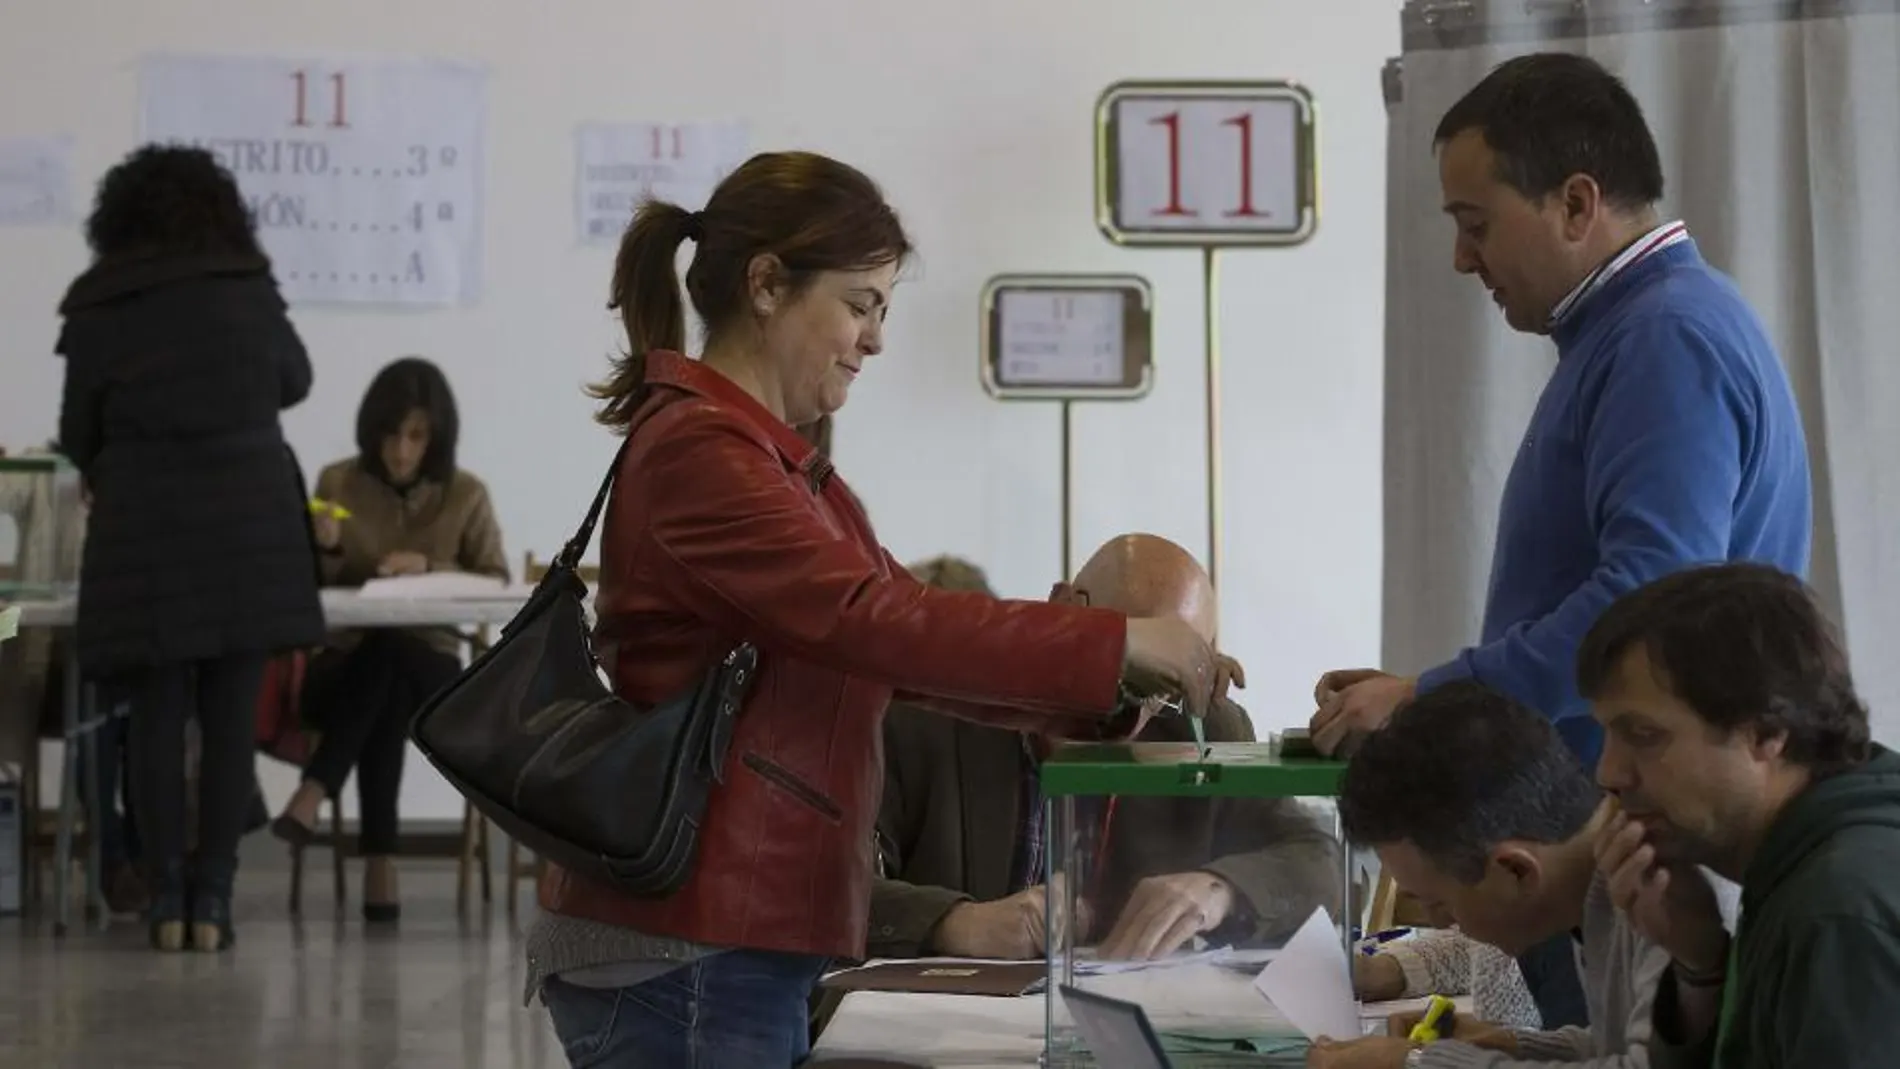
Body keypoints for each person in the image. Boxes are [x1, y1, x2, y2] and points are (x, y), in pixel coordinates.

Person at [524, 151, 1219, 1068]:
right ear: (767, 284)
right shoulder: (705, 452)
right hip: (692, 943)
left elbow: (900, 631)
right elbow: (883, 622)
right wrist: (1119, 639)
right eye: (860, 304)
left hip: (730, 934)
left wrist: (1108, 690)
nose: (876, 339)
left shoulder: (777, 465)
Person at [1309, 52, 1810, 1027]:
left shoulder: (1663, 336)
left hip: (1607, 844)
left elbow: (1649, 601)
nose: (1462, 260)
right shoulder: (1629, 331)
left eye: (1474, 224)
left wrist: (1433, 690)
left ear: (1576, 204)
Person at [55, 143, 325, 952]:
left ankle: (166, 898)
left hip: (144, 532)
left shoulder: (100, 303)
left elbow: (76, 433)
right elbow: (296, 378)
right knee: (230, 715)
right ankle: (212, 903)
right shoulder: (246, 288)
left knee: (155, 719)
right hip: (247, 528)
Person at [871, 536, 1339, 963]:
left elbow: (1319, 861)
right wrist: (953, 924)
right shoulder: (925, 713)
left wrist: (1222, 891)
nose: (1134, 708)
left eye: (1167, 679)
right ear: (1059, 606)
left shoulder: (1202, 727)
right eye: (1128, 656)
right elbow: (826, 886)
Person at [1313, 680, 1733, 1069]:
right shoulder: (1589, 888)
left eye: (1438, 903)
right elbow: (1617, 1046)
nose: (1440, 923)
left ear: (1515, 869)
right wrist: (1509, 1045)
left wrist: (1415, 1064)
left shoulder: (1663, 882)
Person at [1580, 563, 1900, 1068]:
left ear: (1767, 732)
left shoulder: (1839, 906)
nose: (1609, 772)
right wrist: (1702, 963)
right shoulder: (1799, 865)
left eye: (1643, 735)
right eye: (1606, 735)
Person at [271, 356, 507, 921]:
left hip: (434, 674)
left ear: (437, 437)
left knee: (398, 654)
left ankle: (316, 790)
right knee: (384, 662)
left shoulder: (465, 494)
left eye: (417, 436)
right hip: (342, 665)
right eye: (390, 433)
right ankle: (381, 864)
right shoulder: (337, 482)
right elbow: (302, 585)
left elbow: (497, 579)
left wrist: (427, 566)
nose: (401, 449)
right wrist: (325, 548)